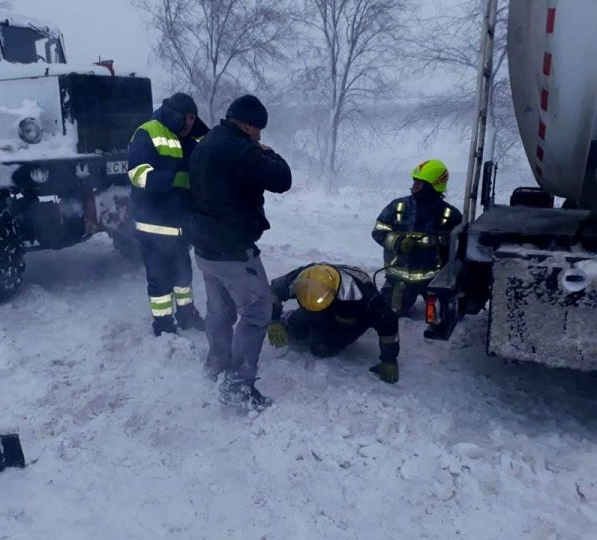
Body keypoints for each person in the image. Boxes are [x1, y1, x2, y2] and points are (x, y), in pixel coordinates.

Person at [189, 95, 292, 411]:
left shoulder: (205, 143)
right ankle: (237, 385)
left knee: (220, 310)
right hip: (233, 250)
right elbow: (282, 179)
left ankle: (216, 365)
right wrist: (267, 152)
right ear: (247, 124)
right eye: (258, 129)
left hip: (205, 247)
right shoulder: (240, 148)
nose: (260, 135)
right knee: (257, 311)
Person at [128, 92, 209, 337]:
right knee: (160, 279)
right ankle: (163, 326)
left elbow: (210, 143)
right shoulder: (147, 132)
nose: (189, 124)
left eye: (193, 118)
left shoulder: (189, 137)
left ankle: (186, 315)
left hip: (180, 224)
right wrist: (176, 179)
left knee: (183, 275)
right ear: (175, 115)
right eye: (187, 118)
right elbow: (137, 174)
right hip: (154, 225)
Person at [267, 263, 400, 384]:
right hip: (319, 305)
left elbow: (388, 322)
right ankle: (292, 318)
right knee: (294, 330)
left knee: (322, 349)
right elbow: (273, 292)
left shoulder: (363, 297)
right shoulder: (303, 276)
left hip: (347, 313)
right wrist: (274, 321)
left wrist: (389, 360)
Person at [372, 160, 463, 316]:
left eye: (420, 182)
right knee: (386, 314)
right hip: (399, 279)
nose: (414, 185)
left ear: (432, 186)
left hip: (434, 282)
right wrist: (398, 242)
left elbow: (459, 249)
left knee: (441, 317)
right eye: (414, 181)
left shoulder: (450, 215)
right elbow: (378, 231)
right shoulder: (398, 207)